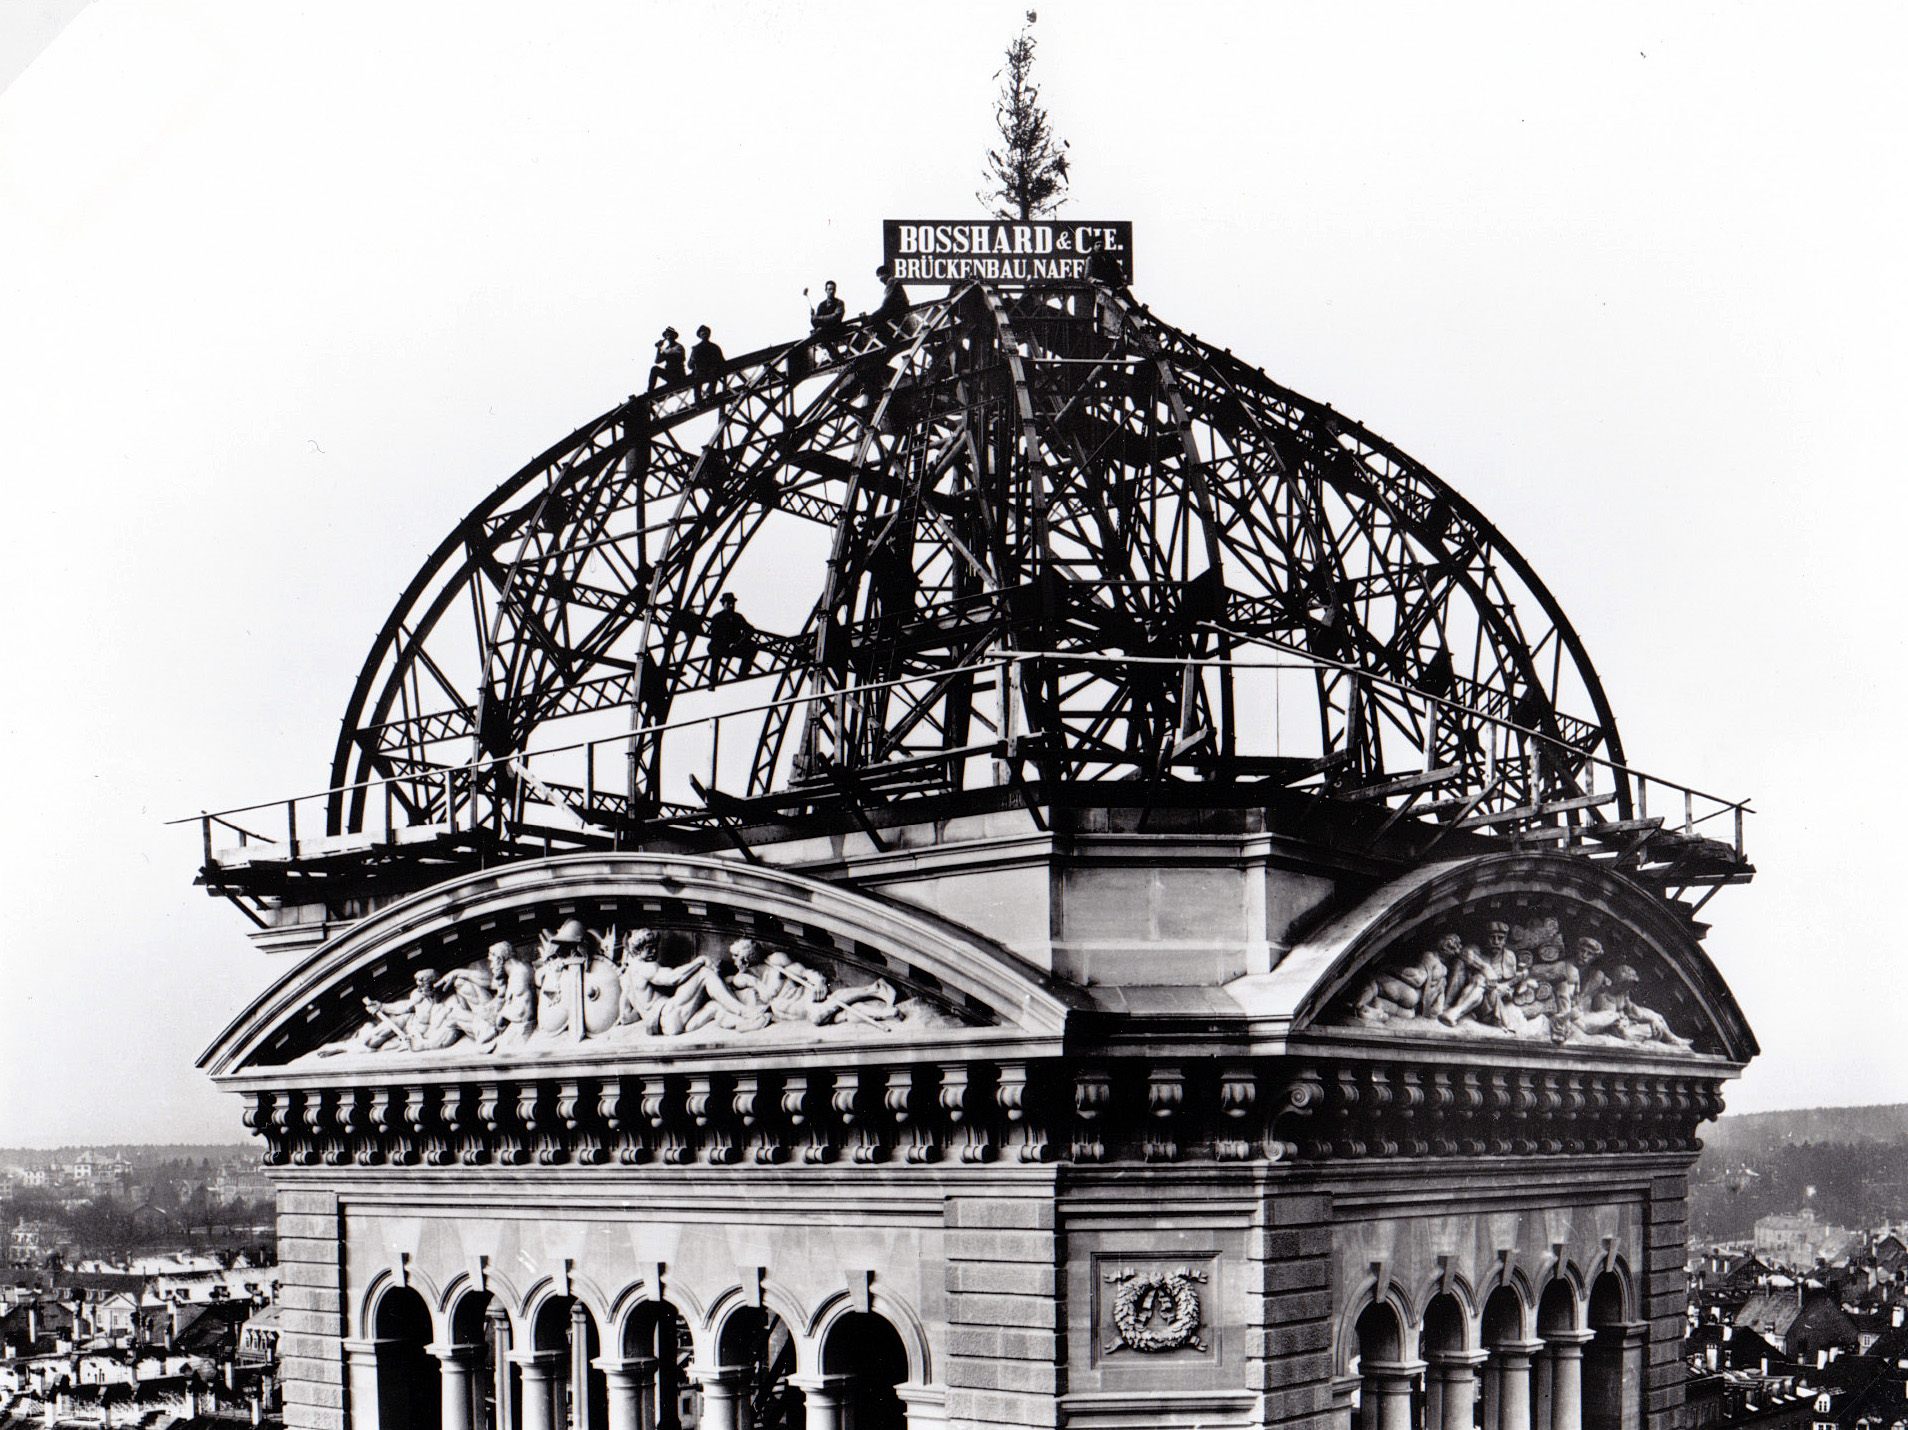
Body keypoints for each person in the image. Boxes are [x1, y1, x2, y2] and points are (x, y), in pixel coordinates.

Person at [704, 591, 758, 681]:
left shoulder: (738, 617)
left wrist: (738, 643)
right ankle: (713, 680)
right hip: (720, 645)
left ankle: (743, 673)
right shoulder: (717, 617)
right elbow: (716, 636)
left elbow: (750, 629)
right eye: (729, 603)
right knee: (716, 652)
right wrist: (728, 644)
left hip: (735, 646)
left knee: (752, 646)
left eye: (732, 603)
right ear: (723, 604)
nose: (731, 606)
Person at [870, 264, 910, 342]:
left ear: (884, 274)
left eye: (879, 276)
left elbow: (888, 298)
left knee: (874, 318)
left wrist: (880, 310)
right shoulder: (892, 281)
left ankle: (889, 341)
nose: (880, 280)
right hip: (898, 306)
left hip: (898, 306)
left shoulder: (891, 281)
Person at [810, 279, 846, 358]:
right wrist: (812, 316)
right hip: (826, 331)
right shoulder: (821, 305)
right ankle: (835, 355)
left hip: (837, 328)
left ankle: (835, 355)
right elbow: (815, 323)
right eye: (829, 289)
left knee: (820, 332)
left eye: (833, 289)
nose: (832, 291)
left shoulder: (839, 303)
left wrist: (819, 318)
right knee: (818, 332)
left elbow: (835, 317)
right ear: (826, 290)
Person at [689, 324, 725, 403]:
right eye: (703, 333)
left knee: (712, 376)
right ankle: (699, 401)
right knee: (697, 381)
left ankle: (708, 397)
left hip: (710, 371)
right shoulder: (696, 348)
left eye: (706, 332)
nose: (704, 334)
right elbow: (690, 365)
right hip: (701, 372)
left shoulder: (714, 347)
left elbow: (722, 361)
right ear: (700, 335)